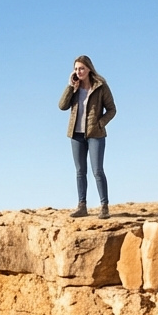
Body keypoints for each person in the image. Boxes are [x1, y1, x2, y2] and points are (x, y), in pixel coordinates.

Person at [58, 55, 116, 218]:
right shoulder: (74, 88)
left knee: (97, 170)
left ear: (89, 68)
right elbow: (62, 106)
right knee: (80, 171)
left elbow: (112, 109)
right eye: (76, 69)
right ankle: (82, 206)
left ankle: (104, 207)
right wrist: (70, 86)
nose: (79, 71)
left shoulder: (101, 86)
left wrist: (100, 123)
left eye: (82, 68)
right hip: (76, 135)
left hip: (95, 134)